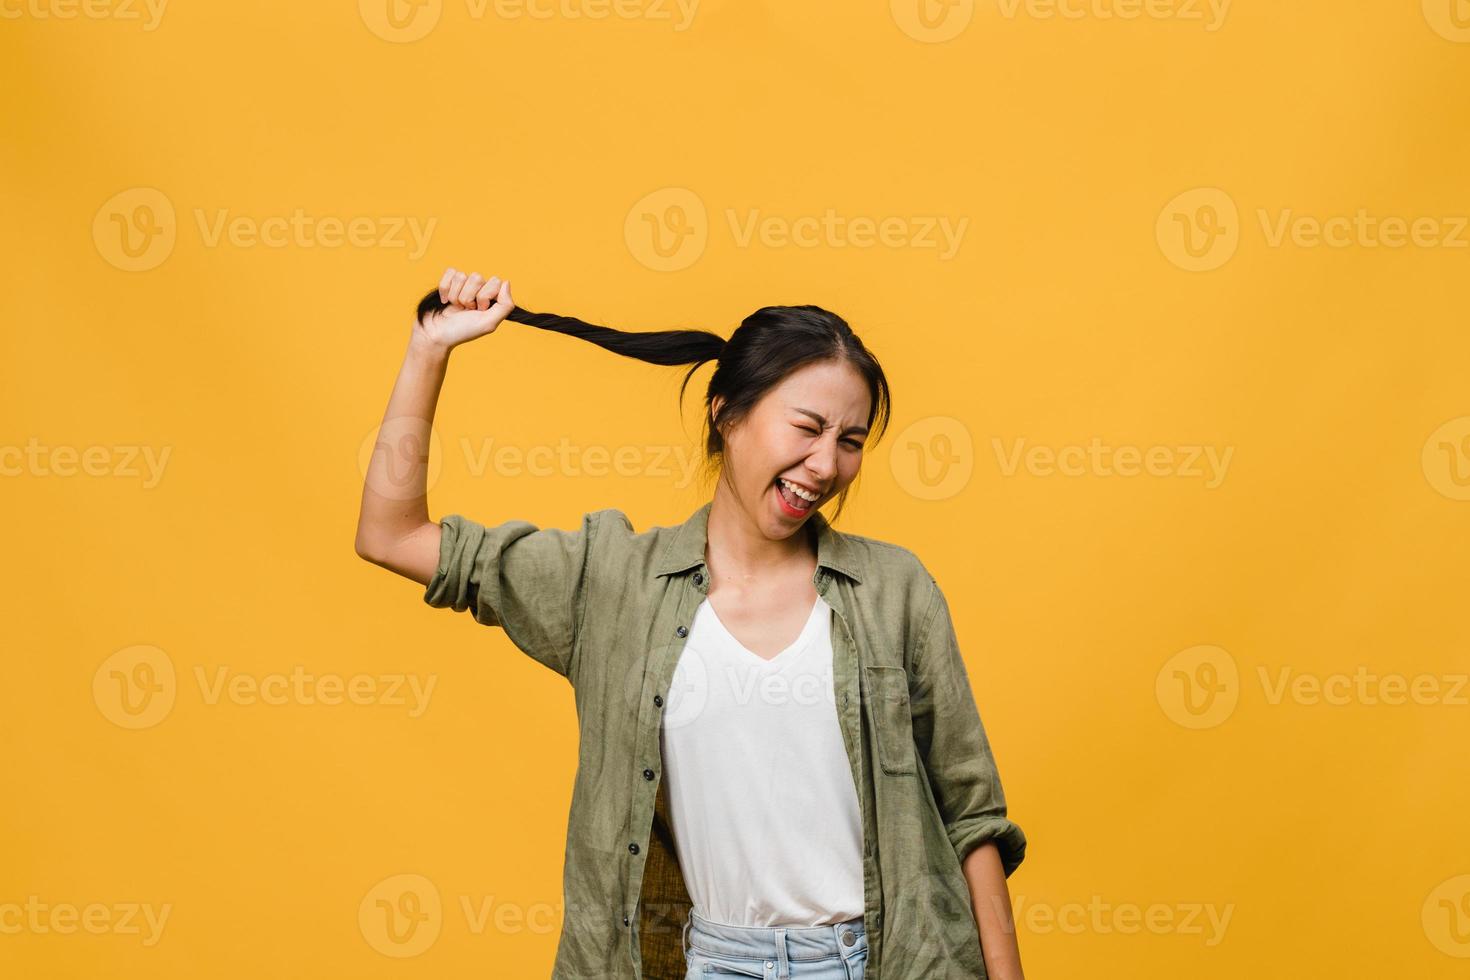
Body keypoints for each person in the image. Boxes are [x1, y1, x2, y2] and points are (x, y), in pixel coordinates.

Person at [354, 268, 1028, 980]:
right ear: (725, 412)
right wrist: (431, 348)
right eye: (806, 427)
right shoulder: (612, 583)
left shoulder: (895, 590)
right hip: (712, 964)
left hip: (886, 962)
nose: (826, 464)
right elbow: (391, 536)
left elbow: (971, 815)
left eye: (851, 440)